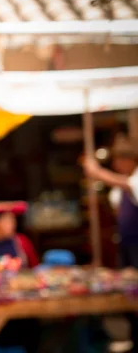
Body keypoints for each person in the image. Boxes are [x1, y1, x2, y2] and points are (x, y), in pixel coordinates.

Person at [84, 133, 138, 353]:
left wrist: (97, 173)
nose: (116, 165)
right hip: (126, 245)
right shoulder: (120, 189)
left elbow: (128, 185)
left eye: (119, 160)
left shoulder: (132, 180)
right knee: (128, 290)